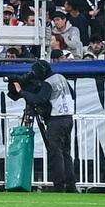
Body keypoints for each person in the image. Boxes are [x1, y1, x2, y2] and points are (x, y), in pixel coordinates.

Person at [25, 58, 79, 191]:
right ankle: (71, 185)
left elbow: (39, 99)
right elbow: (73, 94)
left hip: (56, 120)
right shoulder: (60, 77)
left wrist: (23, 92)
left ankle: (59, 186)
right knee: (66, 153)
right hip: (68, 118)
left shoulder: (48, 82)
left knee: (56, 153)